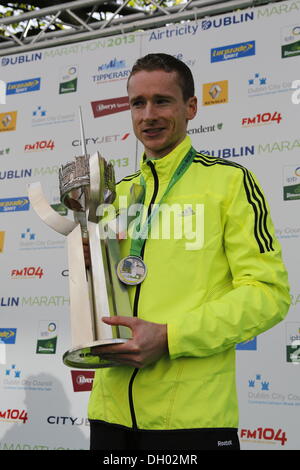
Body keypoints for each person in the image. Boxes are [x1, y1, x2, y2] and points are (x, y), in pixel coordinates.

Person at [87, 53, 290, 451]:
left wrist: (170, 337)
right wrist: (88, 261)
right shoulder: (117, 194)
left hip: (192, 422)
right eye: (137, 103)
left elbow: (269, 295)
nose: (148, 115)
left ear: (191, 107)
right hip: (109, 415)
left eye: (162, 101)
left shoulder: (230, 183)